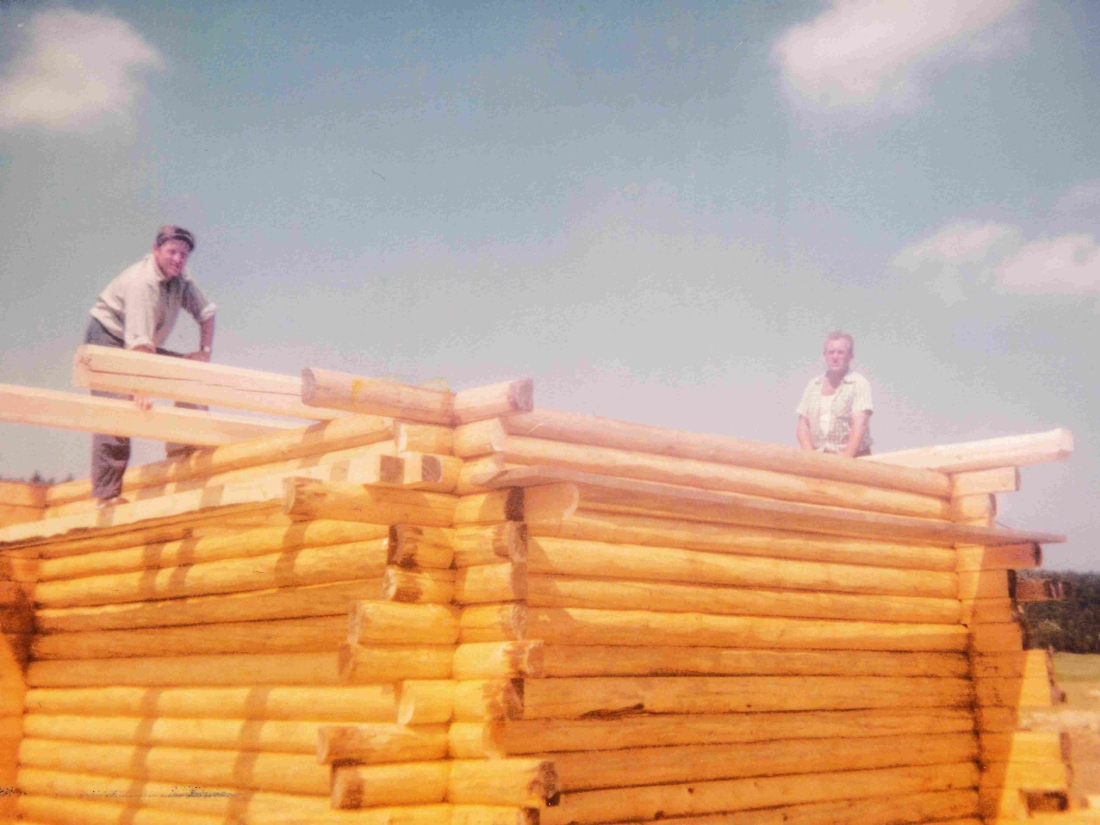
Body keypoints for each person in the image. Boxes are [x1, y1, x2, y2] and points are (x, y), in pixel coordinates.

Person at [85, 225, 217, 507]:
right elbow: (140, 342)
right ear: (156, 250)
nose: (178, 259)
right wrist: (140, 388)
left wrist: (204, 352)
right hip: (108, 340)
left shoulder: (181, 279)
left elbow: (207, 313)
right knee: (118, 410)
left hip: (142, 346)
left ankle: (185, 450)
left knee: (190, 374)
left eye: (184, 254)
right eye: (172, 252)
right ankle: (107, 497)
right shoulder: (143, 283)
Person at [795, 331, 872, 457]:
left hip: (854, 459)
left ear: (850, 356)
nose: (835, 357)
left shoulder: (859, 383)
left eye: (840, 352)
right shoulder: (813, 385)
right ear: (825, 355)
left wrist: (846, 457)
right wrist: (810, 457)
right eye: (831, 352)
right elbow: (803, 425)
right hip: (820, 459)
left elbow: (860, 424)